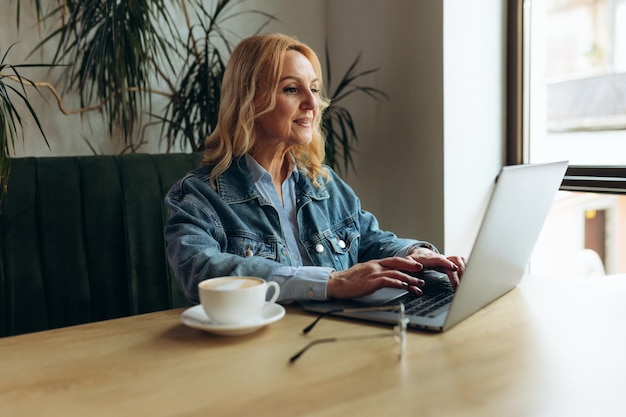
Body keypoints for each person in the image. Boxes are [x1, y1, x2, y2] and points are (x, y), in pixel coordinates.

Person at [164, 33, 465, 305]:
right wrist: (330, 282)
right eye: (292, 89)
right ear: (250, 100)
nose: (313, 103)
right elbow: (201, 272)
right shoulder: (197, 196)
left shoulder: (323, 183)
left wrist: (414, 254)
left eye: (314, 89)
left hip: (338, 336)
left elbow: (370, 239)